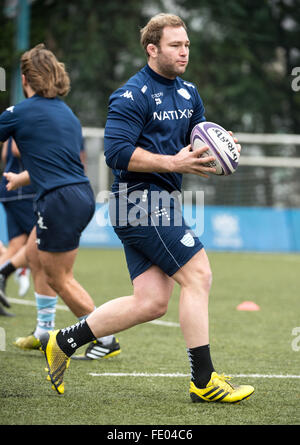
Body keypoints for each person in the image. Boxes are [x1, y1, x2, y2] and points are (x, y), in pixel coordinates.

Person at [39, 14, 254, 402]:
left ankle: (64, 340)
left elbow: (197, 141)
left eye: (187, 44)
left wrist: (222, 147)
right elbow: (115, 153)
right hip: (136, 201)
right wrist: (173, 163)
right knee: (199, 275)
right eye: (175, 45)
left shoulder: (190, 93)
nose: (184, 51)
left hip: (162, 202)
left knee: (151, 302)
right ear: (152, 49)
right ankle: (204, 381)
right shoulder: (132, 94)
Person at [0, 44, 121, 359]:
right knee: (35, 256)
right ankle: (43, 330)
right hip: (78, 194)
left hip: (59, 200)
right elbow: (56, 163)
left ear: (26, 80)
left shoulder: (20, 112)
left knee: (58, 275)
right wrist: (21, 178)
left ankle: (104, 337)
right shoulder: (67, 114)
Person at [0, 137, 35, 316]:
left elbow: (7, 154)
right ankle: (9, 272)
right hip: (22, 192)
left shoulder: (17, 116)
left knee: (16, 245)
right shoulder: (26, 117)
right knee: (40, 242)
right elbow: (14, 149)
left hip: (14, 190)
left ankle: (5, 274)